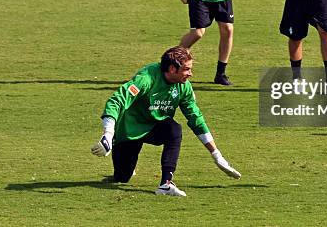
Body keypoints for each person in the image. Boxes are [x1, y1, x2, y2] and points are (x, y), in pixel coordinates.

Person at [91, 46, 241, 197]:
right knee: (122, 178)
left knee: (174, 130)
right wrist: (108, 134)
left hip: (156, 127)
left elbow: (196, 118)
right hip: (129, 130)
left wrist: (216, 155)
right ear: (172, 69)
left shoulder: (184, 87)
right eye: (187, 69)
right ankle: (125, 164)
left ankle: (166, 184)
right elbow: (116, 101)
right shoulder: (146, 78)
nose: (190, 74)